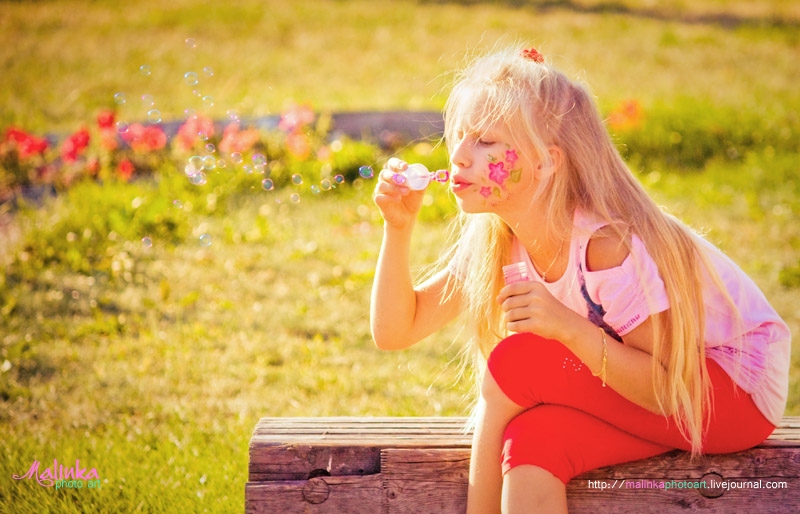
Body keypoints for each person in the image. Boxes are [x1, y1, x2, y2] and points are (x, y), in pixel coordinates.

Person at [369, 45, 791, 514]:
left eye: (485, 140)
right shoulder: (499, 240)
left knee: (519, 361)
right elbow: (396, 331)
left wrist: (569, 328)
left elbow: (665, 387)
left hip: (727, 392)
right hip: (663, 396)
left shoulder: (607, 247)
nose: (460, 156)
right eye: (460, 136)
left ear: (546, 162)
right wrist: (398, 228)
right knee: (532, 442)